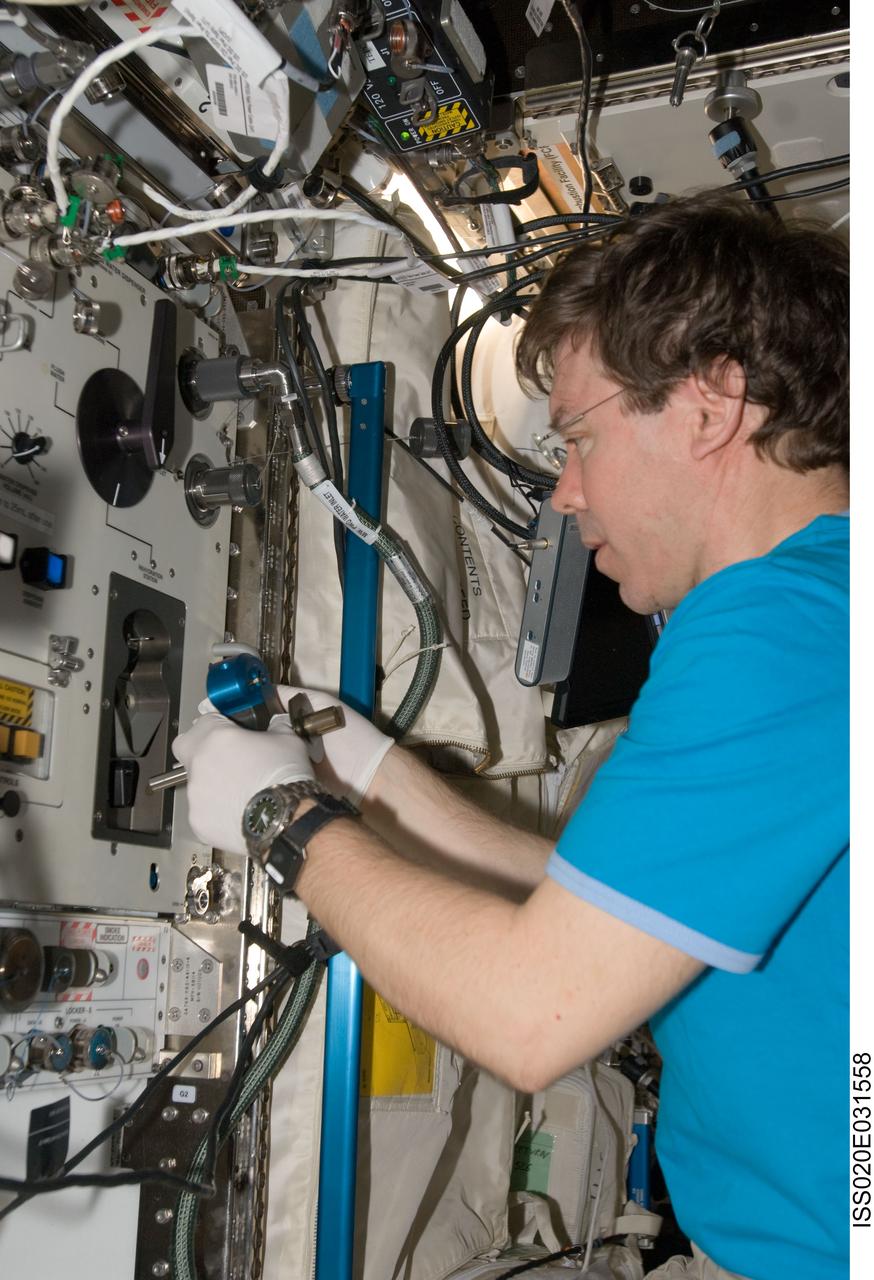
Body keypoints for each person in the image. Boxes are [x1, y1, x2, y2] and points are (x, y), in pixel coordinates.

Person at [173, 193, 849, 1280]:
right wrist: (379, 778)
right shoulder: (821, 605)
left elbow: (533, 1011)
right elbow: (626, 903)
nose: (567, 493)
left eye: (579, 438)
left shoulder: (777, 626)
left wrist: (278, 816)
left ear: (710, 403)